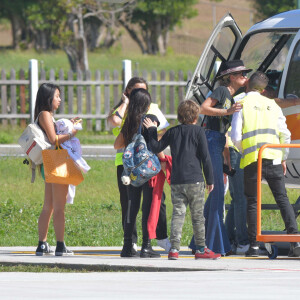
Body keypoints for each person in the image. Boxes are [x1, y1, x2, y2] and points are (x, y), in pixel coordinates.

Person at [231, 71, 300, 257]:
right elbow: (285, 134)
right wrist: (283, 157)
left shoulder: (242, 104)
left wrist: (243, 149)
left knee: (253, 202)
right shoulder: (273, 105)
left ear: (248, 86)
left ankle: (253, 246)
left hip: (253, 158)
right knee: (282, 198)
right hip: (274, 157)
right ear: (263, 89)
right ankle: (295, 242)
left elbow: (235, 135)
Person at [144, 100, 221, 260]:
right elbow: (205, 158)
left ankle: (174, 249)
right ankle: (201, 249)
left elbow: (155, 147)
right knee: (198, 216)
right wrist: (210, 179)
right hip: (195, 180)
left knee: (178, 214)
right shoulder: (199, 132)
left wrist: (152, 130)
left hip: (177, 180)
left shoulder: (172, 132)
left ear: (179, 116)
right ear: (196, 116)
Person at [189, 59, 252, 255]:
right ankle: (215, 245)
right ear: (231, 77)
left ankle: (200, 242)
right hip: (210, 141)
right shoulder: (222, 91)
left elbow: (224, 131)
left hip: (216, 142)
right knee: (215, 194)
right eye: (241, 74)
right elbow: (202, 108)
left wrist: (226, 158)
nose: (245, 77)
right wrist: (227, 111)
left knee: (215, 196)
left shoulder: (232, 97)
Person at [107, 77, 171, 255]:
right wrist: (164, 162)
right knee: (148, 207)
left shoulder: (129, 121)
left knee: (131, 205)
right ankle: (146, 245)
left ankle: (128, 245)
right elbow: (156, 146)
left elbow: (117, 145)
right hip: (148, 171)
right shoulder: (150, 119)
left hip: (131, 170)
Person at [35, 83, 78, 256]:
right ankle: (60, 245)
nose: (59, 99)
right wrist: (72, 133)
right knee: (59, 207)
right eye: (57, 96)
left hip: (50, 162)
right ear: (48, 98)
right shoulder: (45, 114)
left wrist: (68, 124)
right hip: (56, 162)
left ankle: (42, 244)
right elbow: (54, 140)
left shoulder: (46, 115)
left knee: (49, 206)